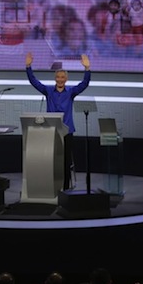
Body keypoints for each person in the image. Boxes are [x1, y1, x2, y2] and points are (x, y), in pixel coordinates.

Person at [24, 51, 91, 190]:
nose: (60, 79)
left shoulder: (71, 92)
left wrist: (87, 68)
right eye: (58, 77)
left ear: (66, 79)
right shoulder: (48, 91)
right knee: (51, 161)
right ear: (55, 79)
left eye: (62, 77)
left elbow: (84, 84)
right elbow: (34, 82)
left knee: (66, 161)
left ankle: (65, 189)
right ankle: (52, 187)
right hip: (51, 132)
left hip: (67, 132)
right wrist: (28, 67)